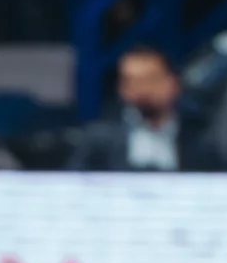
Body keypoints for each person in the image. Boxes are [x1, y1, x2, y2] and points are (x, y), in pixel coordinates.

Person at [68, 46, 207, 172]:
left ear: (173, 83)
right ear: (121, 88)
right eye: (132, 81)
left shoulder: (203, 134)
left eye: (151, 80)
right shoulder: (99, 139)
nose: (143, 89)